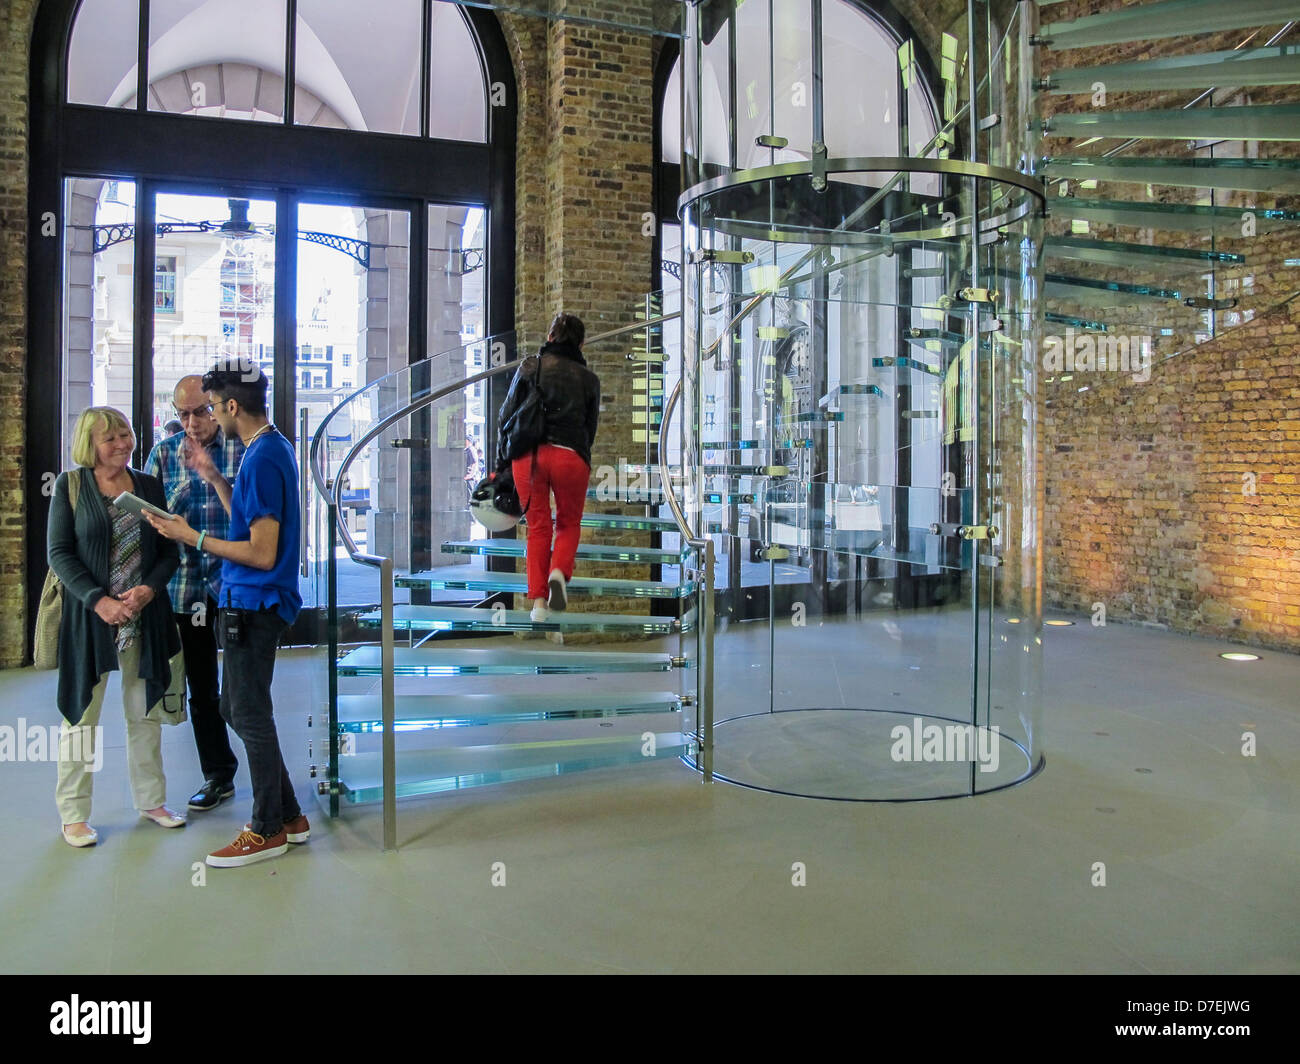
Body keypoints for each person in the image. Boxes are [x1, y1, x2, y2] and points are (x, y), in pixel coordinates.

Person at [146, 358, 308, 868]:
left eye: (213, 407)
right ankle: (289, 815)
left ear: (232, 406)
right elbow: (246, 515)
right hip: (252, 603)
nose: (207, 417)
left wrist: (190, 536)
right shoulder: (271, 446)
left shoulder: (261, 457)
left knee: (247, 712)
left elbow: (260, 551)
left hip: (253, 604)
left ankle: (266, 829)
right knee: (239, 708)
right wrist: (215, 477)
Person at [49, 407, 185, 848]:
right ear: (91, 445)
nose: (122, 444)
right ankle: (73, 815)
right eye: (111, 439)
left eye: (125, 434)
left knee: (143, 713)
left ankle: (151, 801)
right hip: (90, 622)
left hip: (143, 618)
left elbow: (169, 553)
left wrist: (148, 590)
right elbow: (59, 554)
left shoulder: (147, 485)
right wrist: (99, 601)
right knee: (80, 717)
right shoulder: (71, 487)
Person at [144, 376, 245, 813]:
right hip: (185, 588)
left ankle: (268, 774)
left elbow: (255, 519)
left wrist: (214, 477)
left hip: (238, 586)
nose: (190, 423)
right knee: (202, 688)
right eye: (181, 414)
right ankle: (218, 775)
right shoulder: (163, 455)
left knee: (245, 693)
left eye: (199, 412)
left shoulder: (245, 450)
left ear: (219, 407)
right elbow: (144, 522)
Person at [497, 312, 601, 625]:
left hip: (528, 456)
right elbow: (589, 430)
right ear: (581, 344)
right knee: (568, 524)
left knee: (538, 528)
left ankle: (539, 604)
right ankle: (558, 572)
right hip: (570, 456)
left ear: (550, 337)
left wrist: (501, 462)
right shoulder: (590, 380)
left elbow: (506, 415)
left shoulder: (531, 366)